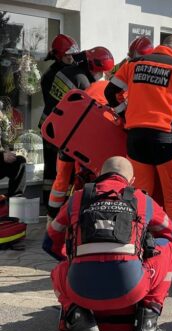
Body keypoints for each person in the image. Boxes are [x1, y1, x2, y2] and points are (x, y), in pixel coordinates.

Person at [43, 156, 172, 331]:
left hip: (80, 291)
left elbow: (50, 241)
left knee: (59, 271)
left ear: (99, 175)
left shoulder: (77, 199)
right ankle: (148, 320)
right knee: (168, 247)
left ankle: (78, 316)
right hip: (131, 289)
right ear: (131, 181)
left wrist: (74, 260)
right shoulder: (142, 199)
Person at [105, 35, 172, 239]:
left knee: (140, 192)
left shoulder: (134, 64)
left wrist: (125, 113)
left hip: (136, 138)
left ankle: (137, 237)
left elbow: (111, 92)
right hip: (165, 139)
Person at [46, 47, 115, 219]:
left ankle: (52, 217)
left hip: (64, 136)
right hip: (82, 143)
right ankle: (77, 216)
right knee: (81, 179)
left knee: (61, 179)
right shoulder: (100, 88)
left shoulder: (74, 76)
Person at [39, 34, 79, 213]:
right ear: (58, 55)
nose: (71, 59)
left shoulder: (61, 71)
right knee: (54, 169)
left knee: (56, 169)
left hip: (53, 126)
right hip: (53, 127)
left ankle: (52, 203)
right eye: (68, 56)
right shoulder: (54, 75)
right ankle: (50, 204)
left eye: (73, 55)